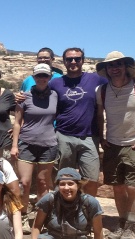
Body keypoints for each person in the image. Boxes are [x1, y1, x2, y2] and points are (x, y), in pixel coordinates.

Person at [95, 51, 135, 239]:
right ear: (107, 70)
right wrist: (101, 137)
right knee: (118, 188)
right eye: (111, 65)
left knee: (133, 188)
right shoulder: (102, 90)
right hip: (113, 145)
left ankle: (131, 228)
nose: (115, 68)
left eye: (118, 64)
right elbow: (100, 115)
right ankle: (122, 222)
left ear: (126, 67)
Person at [49, 48, 108, 196]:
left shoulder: (96, 79)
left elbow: (118, 85)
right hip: (63, 136)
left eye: (77, 59)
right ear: (64, 62)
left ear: (83, 60)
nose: (73, 62)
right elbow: (38, 96)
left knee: (91, 179)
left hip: (89, 136)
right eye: (69, 59)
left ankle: (88, 211)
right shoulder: (55, 83)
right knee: (63, 178)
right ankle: (62, 211)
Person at [10, 63, 58, 233]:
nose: (42, 79)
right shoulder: (24, 97)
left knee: (44, 182)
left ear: (50, 77)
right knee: (24, 182)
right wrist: (15, 145)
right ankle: (22, 215)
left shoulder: (55, 95)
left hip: (48, 144)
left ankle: (41, 217)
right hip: (27, 142)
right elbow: (17, 122)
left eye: (45, 76)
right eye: (38, 76)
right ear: (34, 77)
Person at [32, 168, 104, 239]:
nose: (66, 188)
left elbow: (98, 232)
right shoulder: (50, 199)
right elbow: (37, 225)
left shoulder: (90, 203)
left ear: (78, 185)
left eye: (70, 184)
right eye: (62, 184)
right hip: (52, 238)